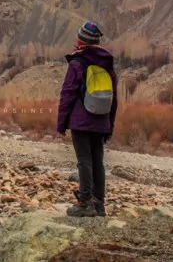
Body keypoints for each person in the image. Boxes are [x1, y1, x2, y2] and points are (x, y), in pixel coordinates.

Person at [57, 21, 118, 217]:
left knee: (84, 160)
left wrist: (62, 124)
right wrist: (110, 125)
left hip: (81, 121)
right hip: (101, 121)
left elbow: (68, 94)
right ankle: (99, 204)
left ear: (80, 40)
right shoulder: (107, 64)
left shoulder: (77, 63)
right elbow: (114, 98)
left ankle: (85, 202)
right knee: (97, 161)